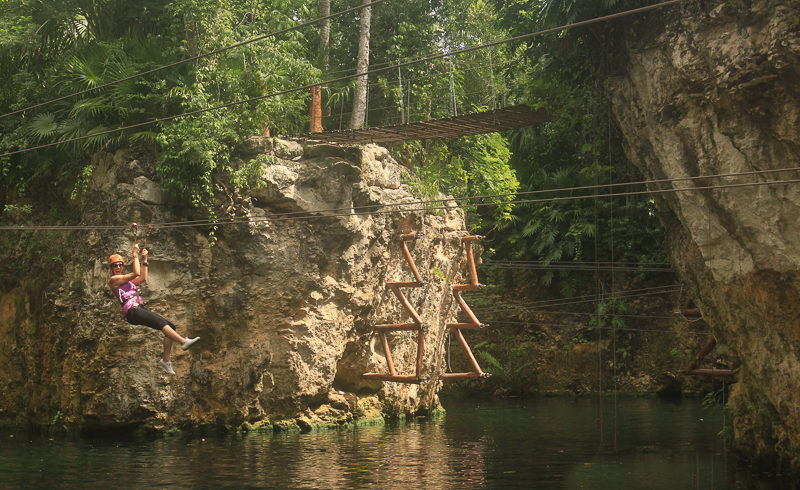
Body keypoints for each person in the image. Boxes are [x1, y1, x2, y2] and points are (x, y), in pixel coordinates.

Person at [108, 243, 199, 375]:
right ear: (111, 268)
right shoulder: (113, 280)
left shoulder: (127, 282)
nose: (117, 267)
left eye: (119, 264)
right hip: (132, 311)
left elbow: (142, 278)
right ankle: (183, 341)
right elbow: (135, 273)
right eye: (114, 265)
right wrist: (134, 255)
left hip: (138, 308)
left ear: (122, 266)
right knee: (162, 324)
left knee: (170, 327)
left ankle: (166, 361)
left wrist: (144, 260)